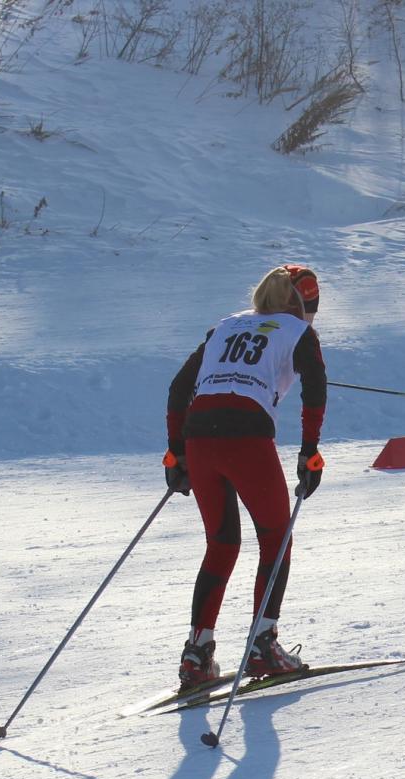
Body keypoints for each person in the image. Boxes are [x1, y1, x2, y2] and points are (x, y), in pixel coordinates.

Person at [163, 264, 327, 691]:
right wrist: (310, 452)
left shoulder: (226, 325)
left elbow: (180, 388)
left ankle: (197, 654)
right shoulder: (298, 332)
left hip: (200, 436)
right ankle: (263, 645)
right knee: (276, 538)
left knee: (221, 544)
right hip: (247, 437)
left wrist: (175, 453)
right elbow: (317, 388)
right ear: (304, 304)